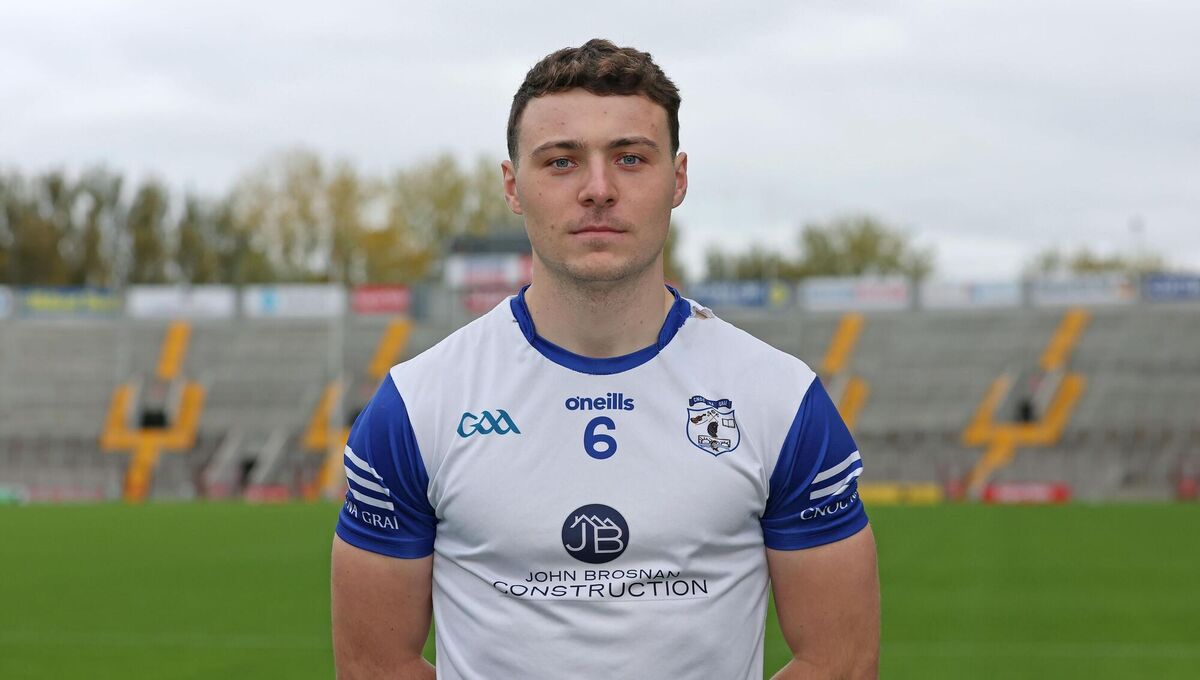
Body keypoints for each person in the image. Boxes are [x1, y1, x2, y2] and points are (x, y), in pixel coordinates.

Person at [331, 38, 880, 679]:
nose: (598, 189)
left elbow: (838, 662)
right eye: (561, 162)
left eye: (629, 157)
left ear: (676, 179)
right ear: (513, 186)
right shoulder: (416, 404)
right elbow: (375, 665)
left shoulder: (781, 400)